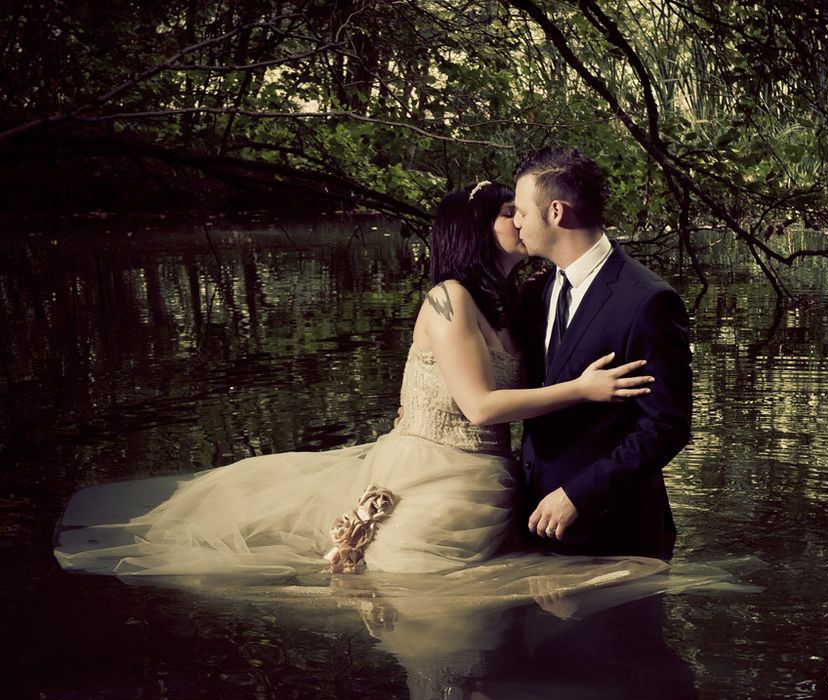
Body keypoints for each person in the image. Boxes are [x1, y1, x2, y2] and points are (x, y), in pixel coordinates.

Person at [53, 180, 654, 579]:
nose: (521, 221)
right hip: (437, 470)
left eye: (520, 211)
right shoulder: (447, 298)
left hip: (493, 476)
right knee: (418, 590)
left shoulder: (514, 301)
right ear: (475, 227)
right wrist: (582, 389)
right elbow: (476, 405)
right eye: (507, 213)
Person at [512, 147, 693, 559]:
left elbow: (666, 426)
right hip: (533, 523)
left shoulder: (647, 301)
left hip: (614, 531)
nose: (516, 222)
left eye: (521, 211)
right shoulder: (536, 294)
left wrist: (579, 494)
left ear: (556, 212)